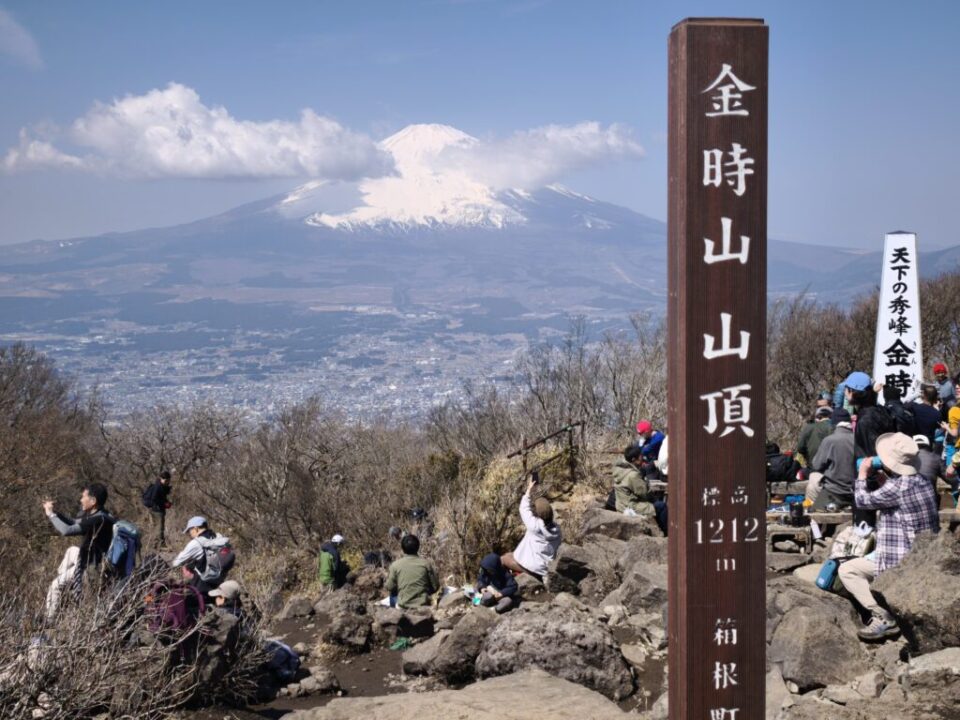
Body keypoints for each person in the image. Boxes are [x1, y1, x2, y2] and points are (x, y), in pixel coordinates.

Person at [837, 433, 939, 641]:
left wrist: (863, 474)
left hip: (898, 562)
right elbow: (898, 498)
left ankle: (884, 615)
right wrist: (885, 480)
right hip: (922, 556)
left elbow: (862, 500)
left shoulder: (897, 487)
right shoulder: (923, 481)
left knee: (847, 569)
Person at [43, 483, 115, 618]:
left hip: (91, 564)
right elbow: (73, 522)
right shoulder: (103, 515)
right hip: (93, 557)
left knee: (55, 586)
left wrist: (50, 515)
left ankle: (50, 620)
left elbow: (66, 530)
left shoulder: (97, 520)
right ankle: (67, 583)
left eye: (84, 497)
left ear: (93, 501)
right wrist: (55, 512)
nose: (81, 500)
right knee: (71, 550)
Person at [501, 477, 562, 580]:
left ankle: (506, 583)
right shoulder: (557, 530)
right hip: (543, 569)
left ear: (538, 514)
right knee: (510, 554)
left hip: (530, 567)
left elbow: (524, 508)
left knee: (502, 559)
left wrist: (529, 490)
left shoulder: (535, 527)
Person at [806, 408, 856, 510]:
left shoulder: (829, 441)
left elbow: (816, 465)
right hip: (856, 491)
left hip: (834, 492)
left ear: (834, 423)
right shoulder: (859, 439)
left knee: (813, 478)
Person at [172, 516, 233, 598]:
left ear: (196, 529)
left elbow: (176, 563)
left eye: (190, 530)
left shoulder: (196, 543)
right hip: (218, 584)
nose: (190, 534)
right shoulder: (219, 539)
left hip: (200, 588)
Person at [612, 445, 668, 533]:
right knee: (661, 506)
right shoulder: (632, 475)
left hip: (621, 504)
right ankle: (667, 532)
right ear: (634, 459)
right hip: (630, 507)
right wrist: (648, 486)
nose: (642, 457)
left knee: (655, 503)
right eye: (640, 456)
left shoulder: (620, 470)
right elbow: (645, 493)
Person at [384, 534, 439, 609]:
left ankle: (395, 614)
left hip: (403, 605)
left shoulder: (395, 565)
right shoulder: (426, 563)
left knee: (393, 593)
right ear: (418, 547)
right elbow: (435, 586)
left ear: (403, 549)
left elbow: (389, 587)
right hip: (423, 603)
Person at [141, 469, 173, 549]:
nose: (167, 482)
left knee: (157, 527)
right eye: (166, 480)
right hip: (157, 510)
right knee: (160, 527)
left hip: (158, 509)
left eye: (168, 481)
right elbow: (154, 499)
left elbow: (161, 498)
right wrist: (165, 504)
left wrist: (167, 502)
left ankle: (156, 544)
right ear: (161, 479)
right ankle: (161, 545)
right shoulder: (158, 486)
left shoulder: (161, 486)